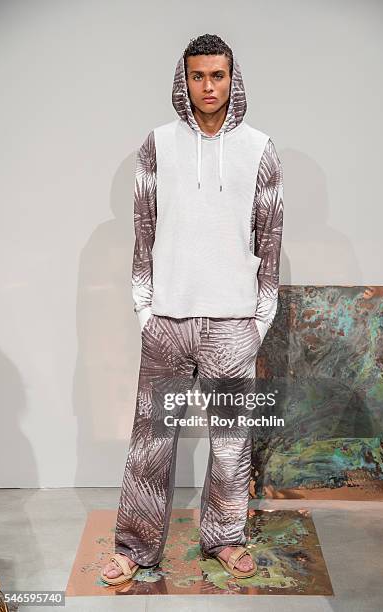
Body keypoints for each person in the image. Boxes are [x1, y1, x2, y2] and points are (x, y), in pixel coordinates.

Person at [101, 33, 283, 585]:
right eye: (198, 76)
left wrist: (259, 320)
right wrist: (144, 309)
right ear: (185, 80)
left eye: (218, 76)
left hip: (233, 321)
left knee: (231, 442)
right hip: (169, 319)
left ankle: (226, 538)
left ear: (234, 78)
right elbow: (142, 232)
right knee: (150, 442)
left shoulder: (259, 148)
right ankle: (134, 547)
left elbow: (270, 238)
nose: (209, 86)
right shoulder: (157, 145)